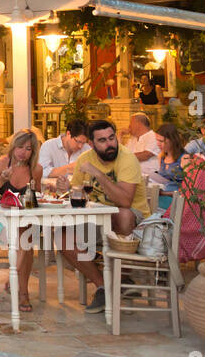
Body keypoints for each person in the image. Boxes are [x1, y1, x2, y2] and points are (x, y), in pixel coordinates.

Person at [63, 120, 151, 314]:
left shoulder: (127, 158)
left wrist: (99, 175)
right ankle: (105, 286)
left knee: (123, 215)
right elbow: (77, 191)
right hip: (96, 217)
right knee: (62, 237)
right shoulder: (84, 159)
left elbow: (125, 201)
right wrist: (65, 189)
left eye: (111, 138)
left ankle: (122, 277)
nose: (109, 144)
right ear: (92, 145)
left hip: (131, 218)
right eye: (102, 140)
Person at [0, 130, 44, 310]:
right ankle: (22, 292)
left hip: (25, 223)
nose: (22, 152)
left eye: (28, 148)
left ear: (33, 152)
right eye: (19, 147)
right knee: (26, 236)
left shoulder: (36, 170)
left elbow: (38, 197)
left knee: (26, 231)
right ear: (13, 147)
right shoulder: (1, 164)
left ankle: (16, 282)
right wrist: (2, 178)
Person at [37, 119, 89, 183]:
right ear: (68, 133)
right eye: (78, 141)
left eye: (83, 143)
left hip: (77, 191)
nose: (80, 146)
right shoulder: (48, 146)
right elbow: (41, 172)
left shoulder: (86, 149)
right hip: (53, 191)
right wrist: (68, 169)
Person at [151, 122, 186, 204]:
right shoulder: (162, 157)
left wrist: (163, 193)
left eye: (161, 141)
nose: (158, 144)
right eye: (157, 140)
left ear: (172, 140)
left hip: (175, 200)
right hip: (161, 196)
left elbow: (187, 190)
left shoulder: (184, 158)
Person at [123, 112, 161, 177]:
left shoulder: (153, 136)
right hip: (133, 176)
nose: (129, 126)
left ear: (138, 124)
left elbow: (145, 155)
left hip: (151, 178)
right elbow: (120, 152)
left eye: (131, 123)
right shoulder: (132, 139)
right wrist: (120, 134)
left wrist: (123, 157)